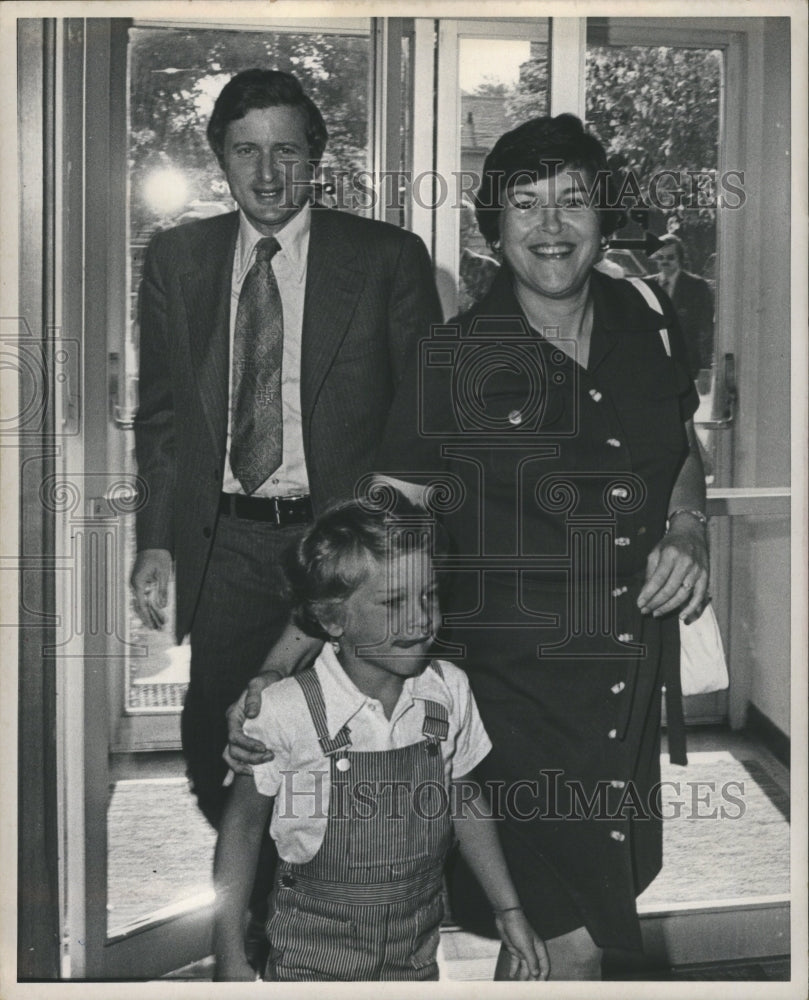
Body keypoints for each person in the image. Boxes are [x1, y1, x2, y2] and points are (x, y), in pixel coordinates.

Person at [227, 114, 710, 980]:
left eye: (572, 201)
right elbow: (377, 524)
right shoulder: (455, 357)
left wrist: (686, 526)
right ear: (493, 231)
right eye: (525, 206)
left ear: (603, 217)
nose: (551, 226)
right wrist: (276, 669)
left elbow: (679, 451)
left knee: (570, 932)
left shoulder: (647, 316)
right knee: (568, 940)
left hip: (623, 685)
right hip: (510, 703)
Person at [130, 68, 440, 956]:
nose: (266, 174)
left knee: (355, 757)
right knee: (218, 752)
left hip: (344, 549)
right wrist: (156, 539)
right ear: (219, 158)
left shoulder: (385, 259)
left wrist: (375, 550)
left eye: (286, 152)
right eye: (245, 151)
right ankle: (276, 927)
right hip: (227, 544)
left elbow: (419, 420)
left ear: (317, 158)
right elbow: (161, 418)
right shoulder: (180, 260)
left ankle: (323, 938)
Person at [213, 501, 549, 982]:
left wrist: (509, 910)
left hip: (414, 961)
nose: (419, 620)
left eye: (428, 596)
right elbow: (242, 830)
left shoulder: (447, 691)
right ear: (333, 619)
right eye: (393, 603)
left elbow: (464, 797)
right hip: (311, 965)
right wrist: (227, 954)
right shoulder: (287, 709)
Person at [646, 233, 715, 393]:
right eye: (660, 257)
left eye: (670, 257)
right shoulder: (647, 285)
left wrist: (705, 368)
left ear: (680, 258)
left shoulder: (696, 286)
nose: (665, 261)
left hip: (686, 365)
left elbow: (705, 330)